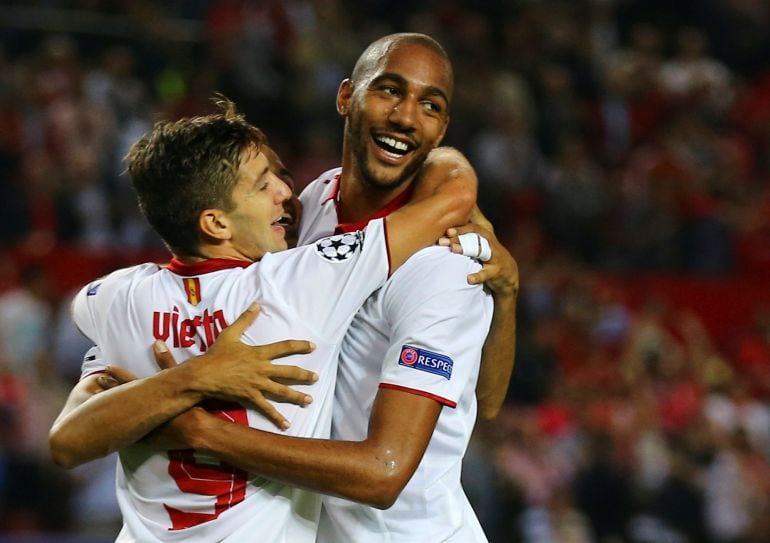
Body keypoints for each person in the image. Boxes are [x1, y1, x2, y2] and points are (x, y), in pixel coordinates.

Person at [49, 97, 477, 542]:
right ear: (215, 224)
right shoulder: (296, 285)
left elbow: (67, 443)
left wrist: (180, 389)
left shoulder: (116, 298)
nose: (286, 194)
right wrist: (201, 377)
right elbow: (454, 197)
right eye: (262, 185)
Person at [143, 33, 518, 542]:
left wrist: (202, 433)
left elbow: (386, 471)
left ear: (441, 128)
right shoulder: (315, 200)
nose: (406, 117)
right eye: (389, 90)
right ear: (347, 98)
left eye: (430, 105)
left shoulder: (444, 266)